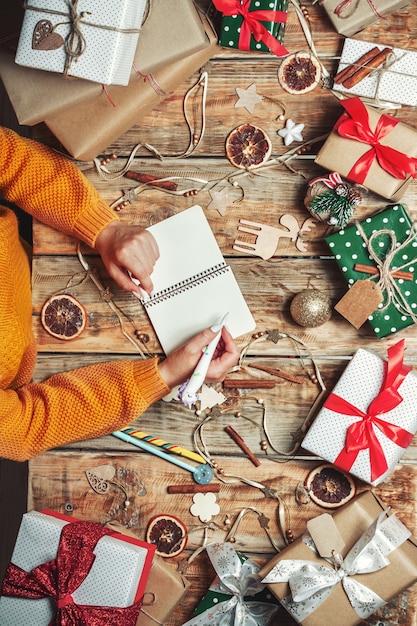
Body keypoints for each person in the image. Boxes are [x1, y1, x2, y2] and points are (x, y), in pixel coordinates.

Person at [0, 126, 239, 463]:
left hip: (31, 252)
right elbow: (28, 426)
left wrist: (104, 229)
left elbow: (11, 158)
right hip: (46, 357)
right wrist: (165, 376)